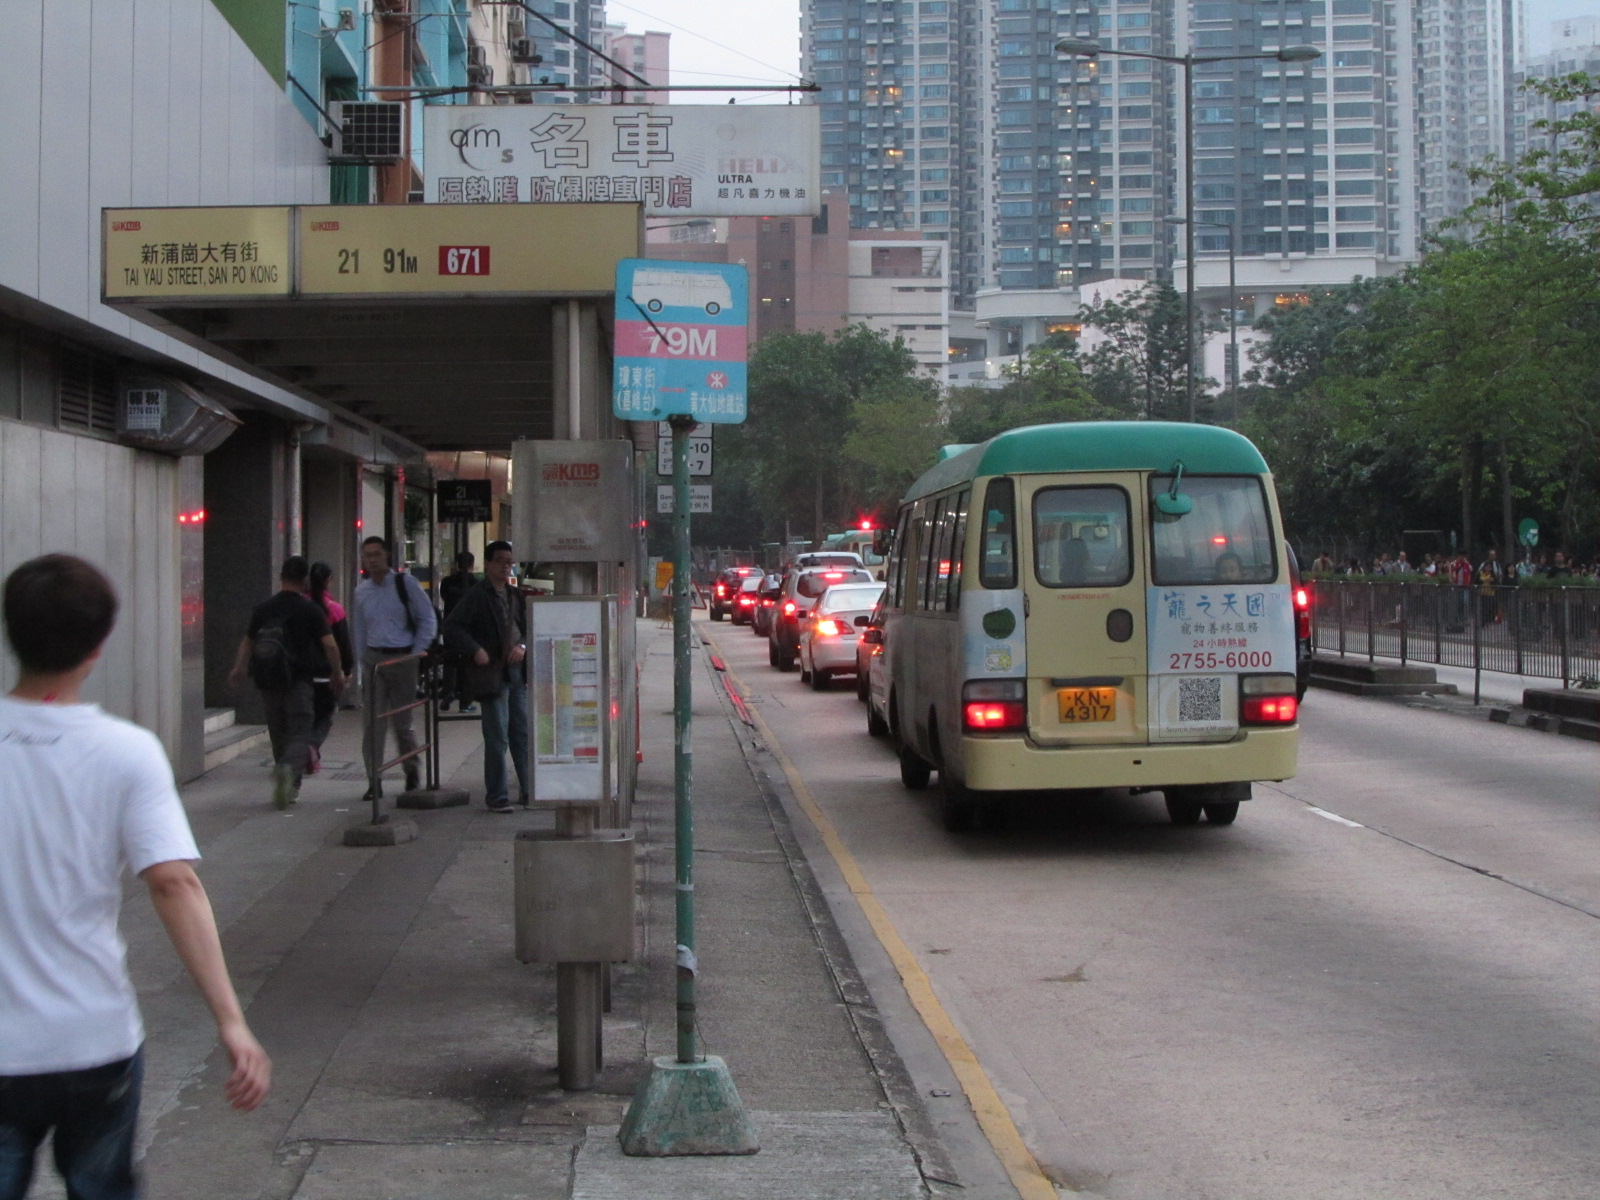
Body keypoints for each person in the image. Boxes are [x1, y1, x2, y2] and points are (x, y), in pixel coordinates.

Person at [0, 554, 271, 1200]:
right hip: (94, 1039)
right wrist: (230, 1021)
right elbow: (174, 883)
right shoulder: (125, 754)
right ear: (97, 645)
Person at [227, 556, 344, 810]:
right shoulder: (310, 609)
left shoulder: (264, 608)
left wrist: (239, 667)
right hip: (299, 680)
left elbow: (248, 640)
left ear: (281, 577)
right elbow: (330, 644)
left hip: (268, 680)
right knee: (300, 731)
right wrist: (338, 672)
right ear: (304, 580)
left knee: (278, 732)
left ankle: (286, 777)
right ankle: (289, 775)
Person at [442, 540, 529, 813]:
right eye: (500, 561)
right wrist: (475, 649)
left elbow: (528, 628)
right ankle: (497, 795)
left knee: (521, 733)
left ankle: (529, 790)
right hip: (492, 673)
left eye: (509, 561)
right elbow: (452, 627)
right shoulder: (478, 595)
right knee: (497, 736)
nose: (506, 566)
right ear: (488, 564)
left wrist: (522, 646)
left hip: (516, 672)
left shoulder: (516, 596)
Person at [350, 537, 436, 797]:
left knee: (402, 722)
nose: (372, 560)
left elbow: (427, 618)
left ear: (386, 555)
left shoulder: (405, 584)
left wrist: (415, 654)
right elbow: (359, 630)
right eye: (367, 555)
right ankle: (373, 780)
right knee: (372, 725)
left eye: (376, 554)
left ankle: (411, 770)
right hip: (375, 661)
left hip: (402, 659)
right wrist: (361, 663)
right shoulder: (361, 591)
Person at [306, 561, 355, 773]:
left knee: (306, 716)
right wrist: (347, 670)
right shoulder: (334, 609)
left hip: (303, 674)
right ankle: (312, 747)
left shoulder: (301, 606)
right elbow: (343, 644)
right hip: (328, 674)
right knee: (325, 716)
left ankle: (305, 751)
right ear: (329, 580)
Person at [437, 551, 479, 714]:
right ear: (471, 565)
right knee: (468, 665)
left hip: (449, 625)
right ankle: (465, 702)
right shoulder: (475, 583)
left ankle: (448, 692)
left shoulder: (447, 582)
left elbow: (444, 597)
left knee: (450, 661)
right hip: (468, 629)